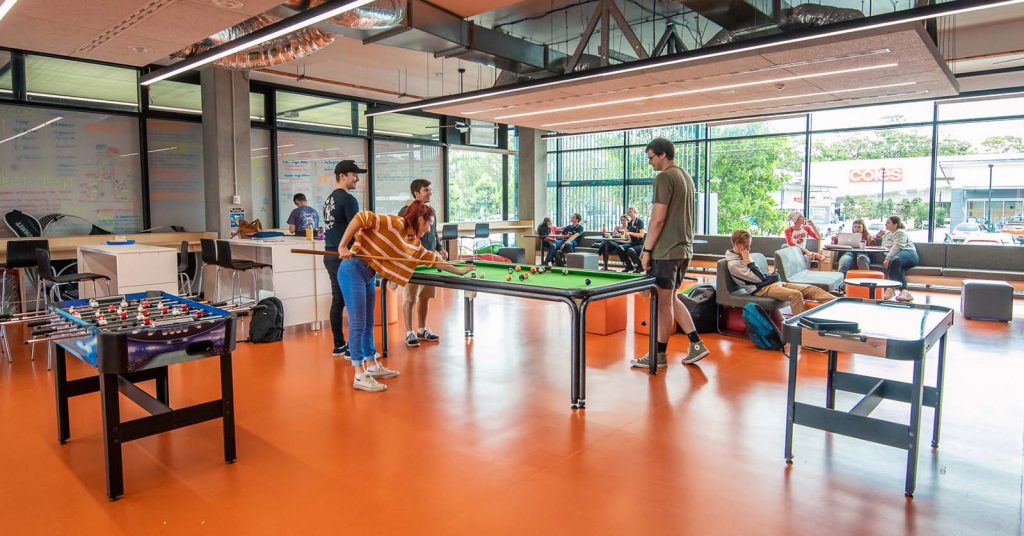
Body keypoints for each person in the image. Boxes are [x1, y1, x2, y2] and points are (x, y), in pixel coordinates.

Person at [335, 202, 475, 392]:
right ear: (419, 220)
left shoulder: (413, 243)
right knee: (359, 322)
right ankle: (359, 373)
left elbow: (433, 259)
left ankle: (373, 365)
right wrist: (343, 246)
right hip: (352, 269)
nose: (428, 230)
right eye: (428, 225)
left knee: (368, 323)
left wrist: (459, 271)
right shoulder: (393, 223)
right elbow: (361, 218)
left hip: (368, 274)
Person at [630, 138, 708, 368]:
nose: (650, 163)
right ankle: (695, 343)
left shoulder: (664, 177)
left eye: (651, 157)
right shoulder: (685, 177)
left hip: (666, 251)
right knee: (671, 299)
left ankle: (658, 355)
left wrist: (647, 250)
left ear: (663, 154)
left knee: (662, 304)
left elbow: (658, 219)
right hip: (684, 250)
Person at [726, 230, 836, 314]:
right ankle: (800, 330)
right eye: (746, 245)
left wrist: (749, 261)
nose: (749, 248)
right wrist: (749, 261)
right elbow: (758, 279)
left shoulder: (743, 256)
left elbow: (761, 276)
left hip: (770, 284)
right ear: (737, 244)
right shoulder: (735, 264)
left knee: (812, 289)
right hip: (762, 290)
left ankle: (839, 305)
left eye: (749, 244)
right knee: (796, 295)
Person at [322, 160, 364, 358]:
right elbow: (357, 230)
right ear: (343, 176)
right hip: (345, 256)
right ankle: (352, 348)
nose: (357, 178)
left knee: (338, 300)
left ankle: (339, 345)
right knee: (353, 300)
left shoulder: (328, 200)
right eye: (354, 175)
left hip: (330, 255)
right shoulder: (348, 200)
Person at [397, 179, 445, 348]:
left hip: (430, 261)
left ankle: (422, 329)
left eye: (430, 190)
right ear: (416, 193)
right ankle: (409, 332)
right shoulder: (406, 211)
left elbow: (434, 235)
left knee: (425, 297)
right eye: (426, 190)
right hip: (414, 262)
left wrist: (440, 247)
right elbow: (401, 235)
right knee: (410, 298)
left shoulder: (430, 211)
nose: (430, 192)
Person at [879, 215, 918, 302]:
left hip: (909, 254)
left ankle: (890, 289)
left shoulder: (900, 232)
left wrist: (887, 258)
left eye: (888, 222)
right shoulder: (888, 234)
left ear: (895, 224)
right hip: (897, 259)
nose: (885, 224)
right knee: (897, 265)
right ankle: (905, 292)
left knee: (895, 260)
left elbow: (898, 246)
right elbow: (884, 247)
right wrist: (878, 236)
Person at [620, 206, 646, 273]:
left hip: (640, 244)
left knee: (630, 250)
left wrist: (630, 233)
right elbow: (629, 237)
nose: (629, 213)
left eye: (630, 211)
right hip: (632, 243)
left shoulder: (640, 222)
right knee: (620, 248)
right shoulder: (629, 223)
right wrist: (623, 237)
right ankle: (629, 266)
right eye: (628, 212)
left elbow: (641, 235)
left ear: (635, 212)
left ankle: (640, 267)